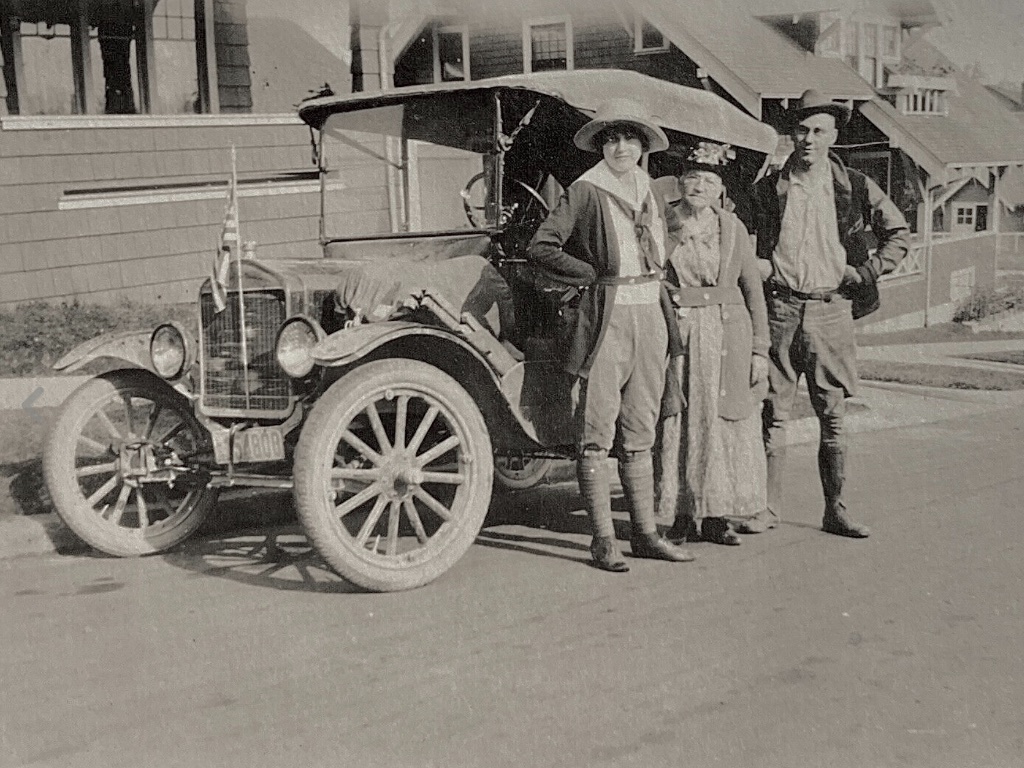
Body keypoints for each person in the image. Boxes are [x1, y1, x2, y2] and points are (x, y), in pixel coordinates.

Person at [529, 99, 694, 572]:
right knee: (596, 430)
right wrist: (591, 273)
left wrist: (658, 261)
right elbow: (542, 246)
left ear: (643, 146)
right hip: (607, 318)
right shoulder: (586, 189)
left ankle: (645, 533)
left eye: (630, 139)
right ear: (601, 146)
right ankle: (603, 540)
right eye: (612, 140)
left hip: (651, 314)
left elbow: (673, 232)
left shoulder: (652, 189)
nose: (622, 148)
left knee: (641, 428)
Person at [749, 89, 910, 538]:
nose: (809, 139)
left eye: (819, 131)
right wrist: (757, 265)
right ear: (792, 134)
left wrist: (867, 271)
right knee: (773, 414)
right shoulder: (768, 188)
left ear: (833, 136)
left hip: (831, 310)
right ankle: (766, 509)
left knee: (833, 415)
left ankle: (835, 510)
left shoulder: (854, 185)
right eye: (802, 130)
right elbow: (741, 239)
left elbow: (898, 232)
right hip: (780, 308)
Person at [653, 142, 770, 547]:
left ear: (721, 189)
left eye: (709, 180)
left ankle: (718, 516)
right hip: (679, 333)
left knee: (722, 423)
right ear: (680, 182)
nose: (700, 187)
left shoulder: (731, 229)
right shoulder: (663, 222)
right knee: (680, 419)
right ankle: (682, 515)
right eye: (693, 178)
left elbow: (753, 291)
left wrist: (759, 349)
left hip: (726, 334)